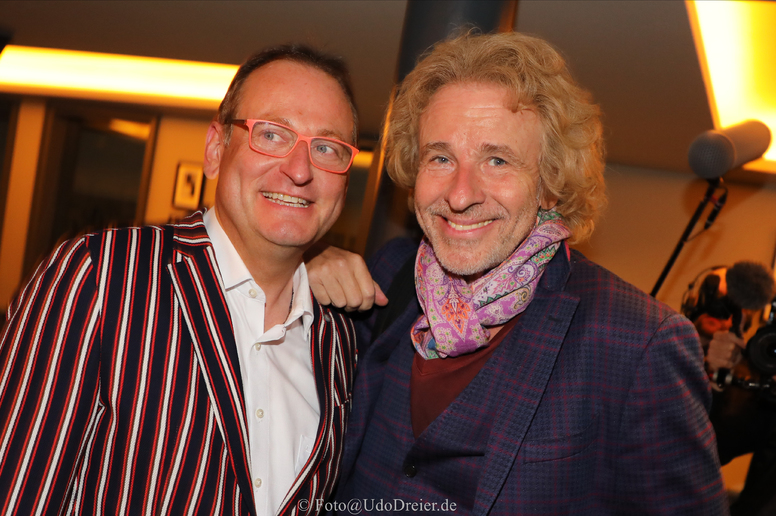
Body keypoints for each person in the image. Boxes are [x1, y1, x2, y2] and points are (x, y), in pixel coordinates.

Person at [307, 32, 727, 514]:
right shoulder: (387, 272)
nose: (461, 195)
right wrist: (302, 268)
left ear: (550, 184)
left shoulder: (639, 344)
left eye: (497, 160)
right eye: (441, 157)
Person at [0, 44, 358, 515]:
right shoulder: (101, 277)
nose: (300, 170)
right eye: (272, 135)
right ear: (216, 151)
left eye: (326, 148)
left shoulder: (341, 341)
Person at [688, 264, 776, 516]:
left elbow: (717, 448)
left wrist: (720, 380)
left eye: (734, 301)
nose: (721, 306)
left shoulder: (748, 381)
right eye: (714, 293)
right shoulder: (655, 346)